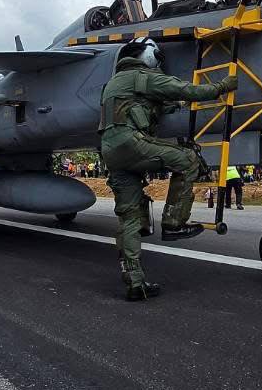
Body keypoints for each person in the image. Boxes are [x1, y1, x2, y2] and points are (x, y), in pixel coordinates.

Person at [98, 39, 235, 301]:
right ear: (148, 56)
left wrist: (170, 106)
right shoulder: (142, 76)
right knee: (188, 159)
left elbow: (144, 107)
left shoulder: (113, 84)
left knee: (129, 218)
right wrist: (221, 87)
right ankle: (173, 223)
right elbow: (183, 88)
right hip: (132, 143)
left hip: (111, 152)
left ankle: (135, 283)